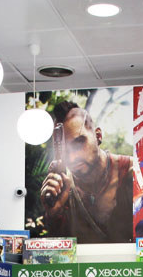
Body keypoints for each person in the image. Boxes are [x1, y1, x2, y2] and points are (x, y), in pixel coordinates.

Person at [40, 102, 134, 243]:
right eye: (65, 150)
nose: (72, 158)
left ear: (98, 136)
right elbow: (60, 252)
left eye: (78, 143)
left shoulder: (133, 174)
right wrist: (54, 215)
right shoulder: (62, 188)